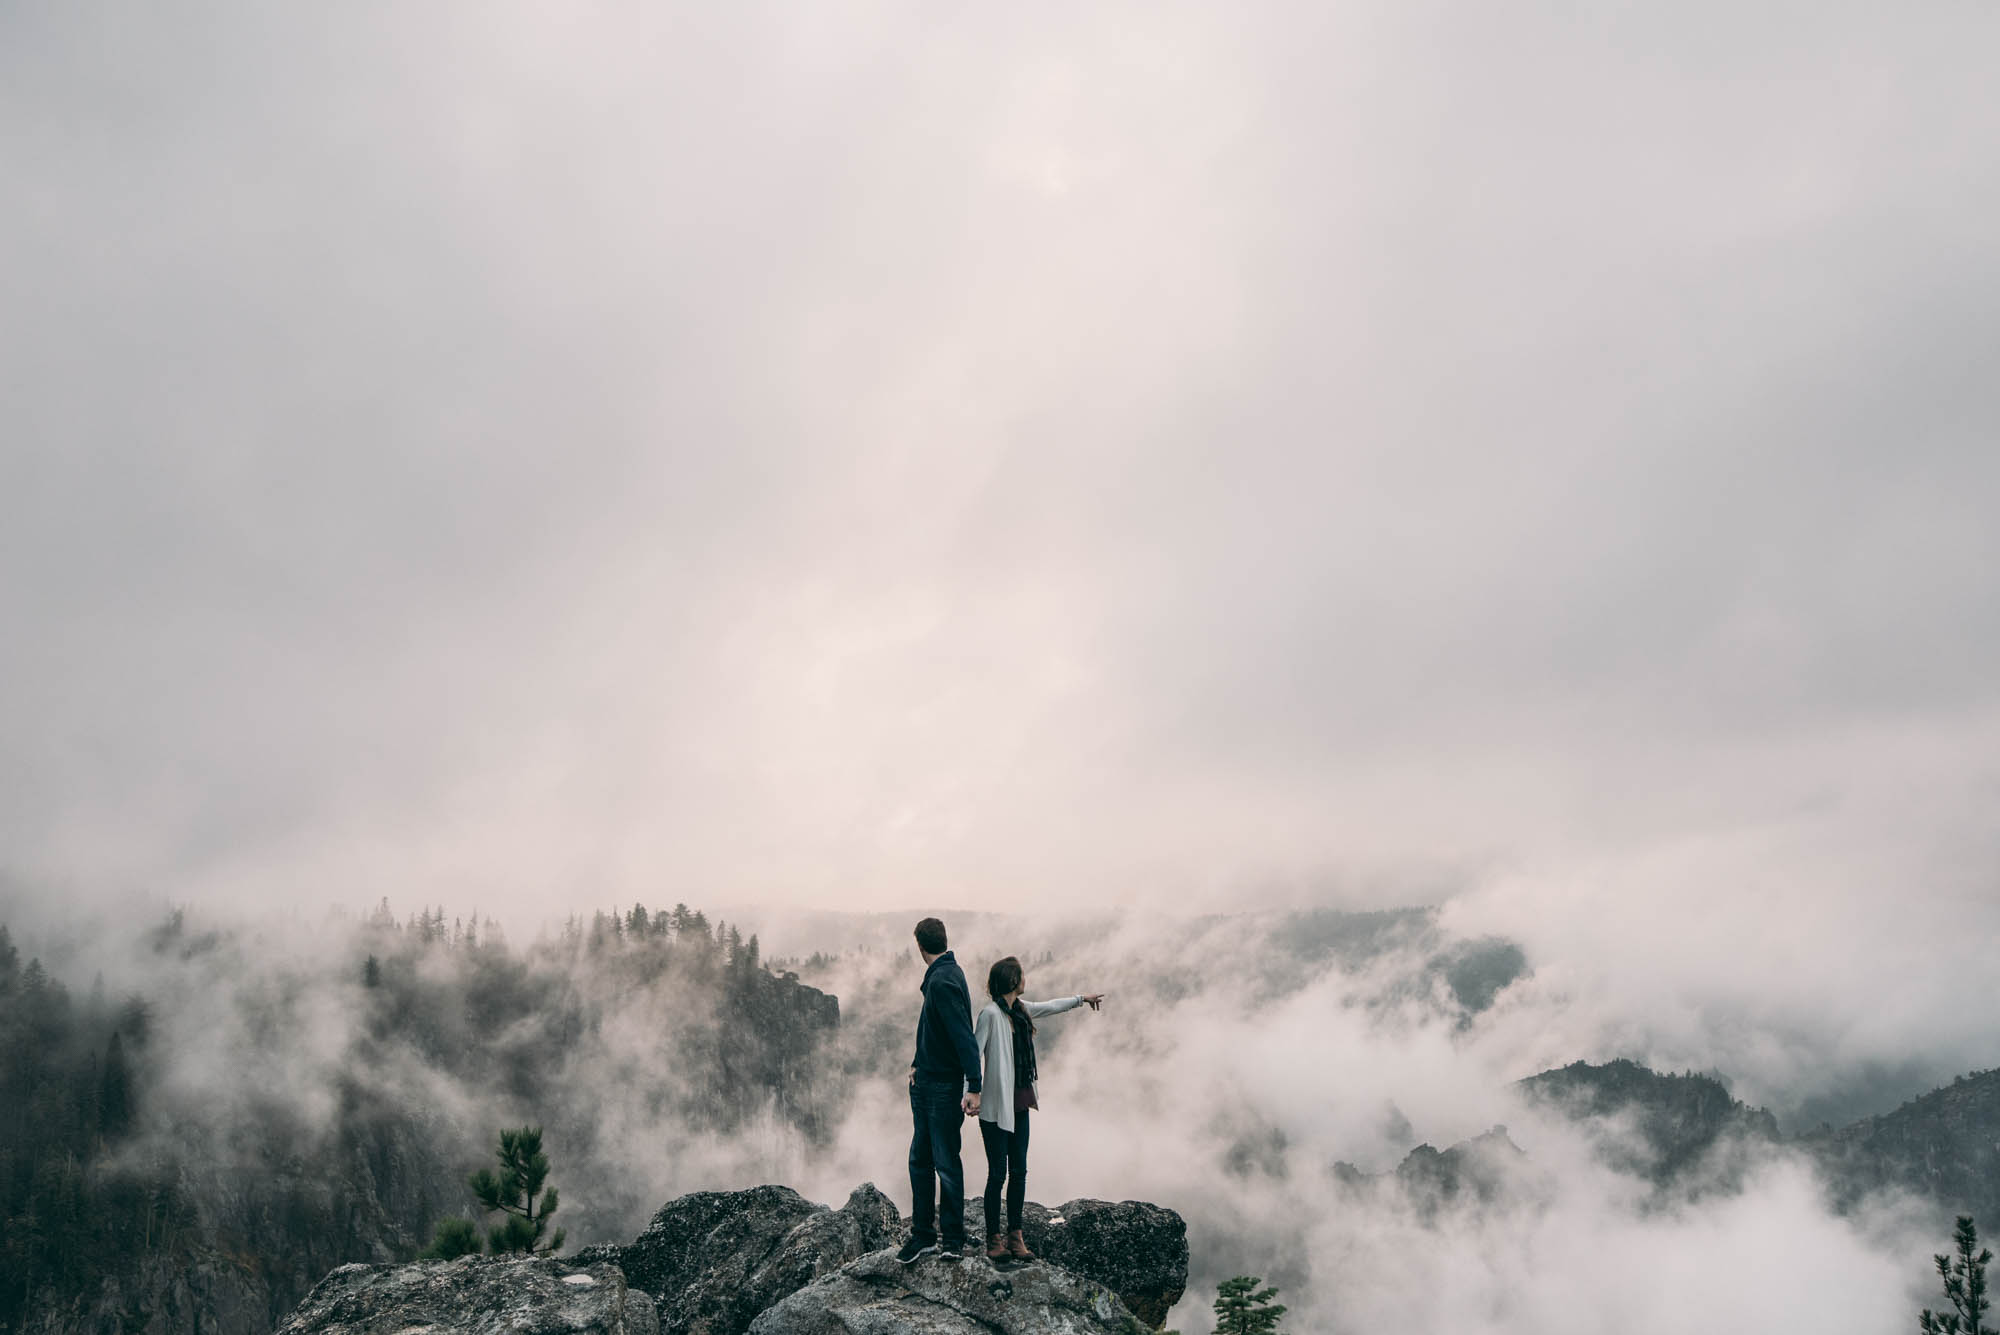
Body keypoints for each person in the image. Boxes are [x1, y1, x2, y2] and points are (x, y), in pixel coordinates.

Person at [973, 955, 1105, 1261]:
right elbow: (973, 1053)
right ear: (1012, 981)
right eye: (1021, 976)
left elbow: (1049, 1006)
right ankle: (994, 1240)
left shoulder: (1020, 1010)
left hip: (1019, 1103)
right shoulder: (991, 1015)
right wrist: (973, 1092)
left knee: (1019, 1170)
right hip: (995, 1108)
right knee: (997, 1174)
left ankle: (1015, 1236)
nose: (1025, 980)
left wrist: (1079, 1000)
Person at [898, 916, 983, 1263]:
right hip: (930, 1081)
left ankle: (946, 1239)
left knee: (942, 1161)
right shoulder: (947, 974)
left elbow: (964, 1037)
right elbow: (933, 1032)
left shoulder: (942, 981)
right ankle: (930, 1235)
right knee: (924, 1159)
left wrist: (974, 1086)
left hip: (941, 1088)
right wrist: (918, 1063)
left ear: (920, 946)